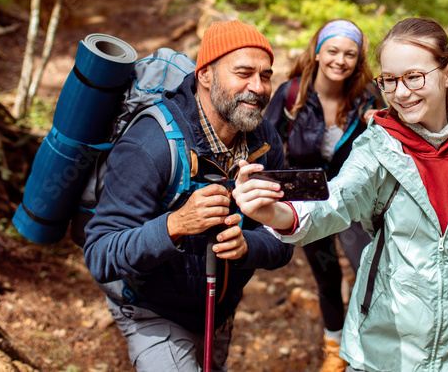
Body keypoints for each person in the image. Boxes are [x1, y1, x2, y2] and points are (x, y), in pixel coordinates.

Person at [233, 17, 448, 372]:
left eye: (414, 77)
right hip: (384, 350)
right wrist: (276, 214)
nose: (401, 93)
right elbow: (338, 200)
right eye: (390, 80)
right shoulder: (379, 148)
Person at [83, 20, 294, 372]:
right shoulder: (151, 143)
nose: (258, 87)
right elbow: (100, 255)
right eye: (243, 73)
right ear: (205, 74)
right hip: (151, 310)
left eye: (266, 75)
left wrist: (247, 247)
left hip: (218, 312)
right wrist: (175, 225)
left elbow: (285, 239)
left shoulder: (264, 141)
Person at [263, 19, 383, 372]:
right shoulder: (292, 95)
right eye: (332, 51)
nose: (340, 60)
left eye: (350, 54)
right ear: (317, 52)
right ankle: (335, 347)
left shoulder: (368, 97)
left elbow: (391, 142)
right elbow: (265, 144)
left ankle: (369, 346)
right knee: (327, 276)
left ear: (358, 60)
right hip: (309, 199)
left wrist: (378, 123)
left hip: (354, 198)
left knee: (369, 271)